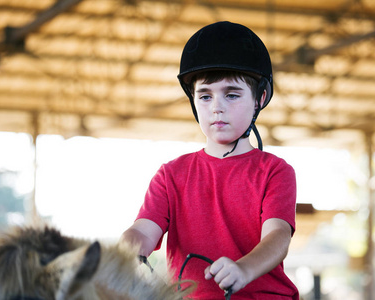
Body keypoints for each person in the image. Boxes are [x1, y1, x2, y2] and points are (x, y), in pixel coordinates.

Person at [121, 21, 299, 300]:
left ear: (259, 98)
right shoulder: (171, 175)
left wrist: (244, 269)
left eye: (231, 94)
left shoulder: (275, 171)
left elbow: (277, 238)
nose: (217, 107)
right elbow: (143, 231)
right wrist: (124, 250)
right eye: (205, 96)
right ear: (194, 101)